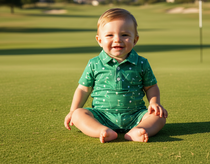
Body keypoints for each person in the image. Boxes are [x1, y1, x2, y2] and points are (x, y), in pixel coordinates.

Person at [64, 8, 167, 143]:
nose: (117, 40)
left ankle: (139, 130)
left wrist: (154, 103)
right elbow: (83, 89)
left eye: (125, 35)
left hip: (136, 115)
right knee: (78, 114)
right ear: (99, 40)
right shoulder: (94, 63)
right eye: (109, 35)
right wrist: (73, 110)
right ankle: (101, 130)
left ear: (135, 40)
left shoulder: (142, 63)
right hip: (101, 116)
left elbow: (151, 87)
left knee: (160, 116)